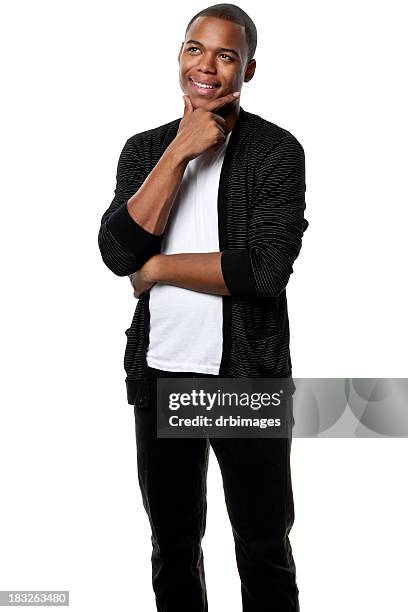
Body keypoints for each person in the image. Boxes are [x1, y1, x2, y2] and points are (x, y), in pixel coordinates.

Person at [98, 4, 308, 611]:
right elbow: (117, 250)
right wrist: (180, 151)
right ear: (179, 56)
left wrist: (160, 267)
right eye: (195, 49)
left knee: (263, 548)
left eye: (226, 55)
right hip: (163, 374)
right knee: (173, 546)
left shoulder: (275, 150)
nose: (207, 66)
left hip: (244, 380)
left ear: (248, 68)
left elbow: (263, 273)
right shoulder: (145, 151)